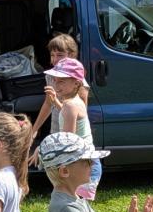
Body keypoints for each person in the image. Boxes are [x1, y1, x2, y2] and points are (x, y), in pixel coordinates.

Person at [30, 58, 102, 200]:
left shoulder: (70, 106)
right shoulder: (74, 102)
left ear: (76, 83)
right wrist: (55, 102)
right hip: (87, 164)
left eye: (62, 81)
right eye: (55, 80)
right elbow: (66, 113)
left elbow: (66, 143)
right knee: (79, 209)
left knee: (73, 207)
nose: (56, 85)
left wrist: (41, 148)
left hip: (82, 167)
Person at [28, 34, 89, 154]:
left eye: (60, 55)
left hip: (74, 140)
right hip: (57, 131)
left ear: (71, 55)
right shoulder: (51, 76)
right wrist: (34, 131)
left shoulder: (77, 81)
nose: (55, 59)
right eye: (52, 55)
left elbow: (78, 116)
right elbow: (48, 103)